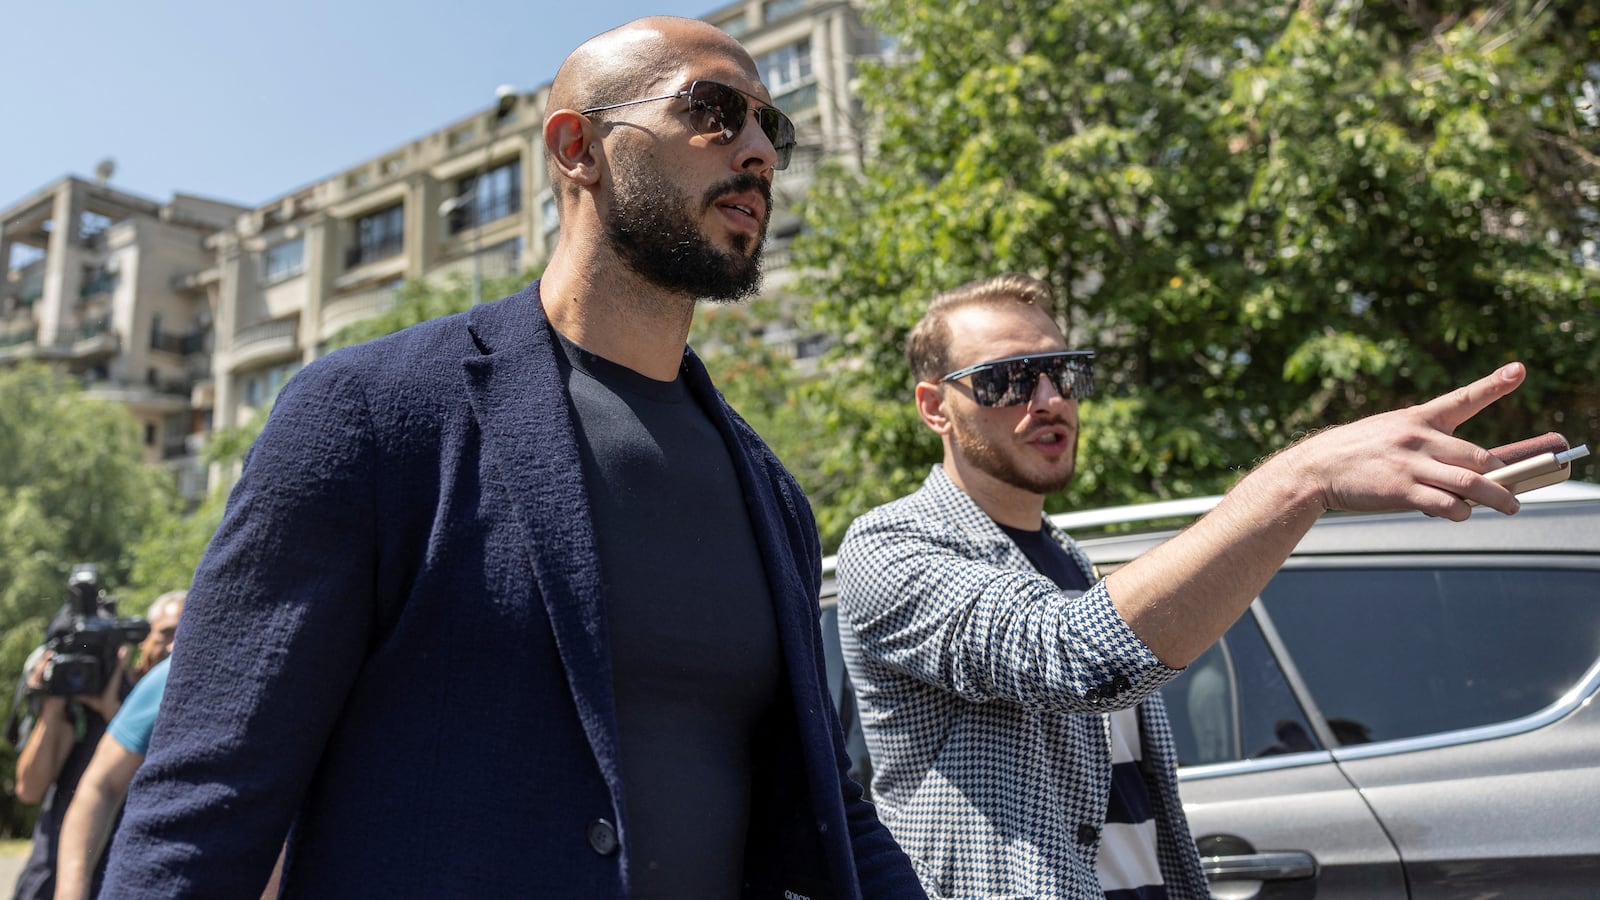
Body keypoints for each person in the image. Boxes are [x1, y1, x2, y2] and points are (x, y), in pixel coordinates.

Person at [101, 16, 922, 899]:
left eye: (773, 127)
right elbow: (206, 802)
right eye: (715, 110)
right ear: (578, 148)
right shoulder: (373, 415)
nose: (760, 150)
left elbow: (830, 809)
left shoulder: (771, 493)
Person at [833, 273, 1528, 898]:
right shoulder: (890, 549)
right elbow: (1075, 656)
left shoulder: (1070, 559)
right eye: (1007, 380)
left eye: (1062, 372)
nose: (1047, 401)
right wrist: (1303, 476)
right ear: (934, 408)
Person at [10, 591, 183, 900]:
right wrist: (53, 708)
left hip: (127, 881)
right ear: (141, 638)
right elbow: (29, 790)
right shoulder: (78, 702)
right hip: (54, 877)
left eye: (183, 634)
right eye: (165, 633)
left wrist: (113, 712)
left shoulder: (160, 703)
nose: (173, 646)